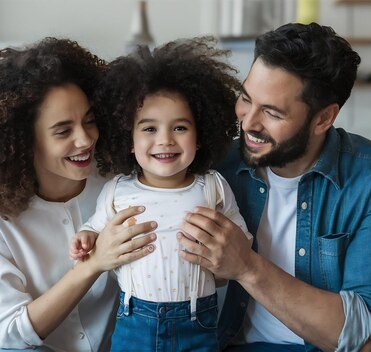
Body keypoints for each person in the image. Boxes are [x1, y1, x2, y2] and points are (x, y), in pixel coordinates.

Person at [177, 23, 371, 351]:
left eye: (272, 112)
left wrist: (245, 265)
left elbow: (367, 339)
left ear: (323, 119)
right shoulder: (216, 166)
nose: (248, 123)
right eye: (245, 99)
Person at [0, 37, 157, 352]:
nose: (85, 139)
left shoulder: (120, 186)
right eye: (63, 131)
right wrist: (93, 264)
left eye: (89, 121)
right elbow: (10, 333)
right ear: (22, 140)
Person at [68, 37, 253, 351]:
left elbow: (240, 240)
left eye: (180, 128)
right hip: (134, 319)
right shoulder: (117, 191)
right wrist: (86, 237)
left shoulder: (213, 186)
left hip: (199, 320)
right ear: (128, 139)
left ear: (201, 135)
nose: (165, 140)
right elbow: (96, 227)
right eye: (149, 129)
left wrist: (224, 258)